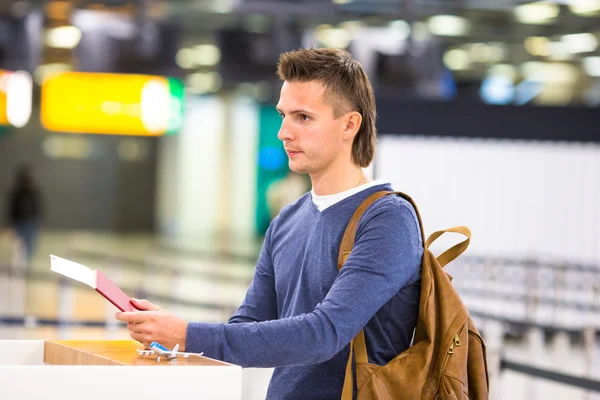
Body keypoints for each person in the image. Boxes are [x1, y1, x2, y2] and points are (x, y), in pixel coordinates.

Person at [116, 48, 423, 399]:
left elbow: (324, 334)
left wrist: (187, 333)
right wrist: (169, 333)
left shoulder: (387, 219)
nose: (283, 133)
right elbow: (246, 328)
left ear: (349, 125)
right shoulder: (287, 221)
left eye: (303, 118)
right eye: (283, 115)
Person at [6, 165, 42, 263]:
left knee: (29, 249)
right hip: (20, 223)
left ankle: (26, 264)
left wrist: (37, 222)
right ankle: (21, 265)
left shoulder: (33, 191)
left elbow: (37, 208)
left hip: (30, 223)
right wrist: (11, 225)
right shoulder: (16, 192)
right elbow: (12, 209)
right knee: (19, 249)